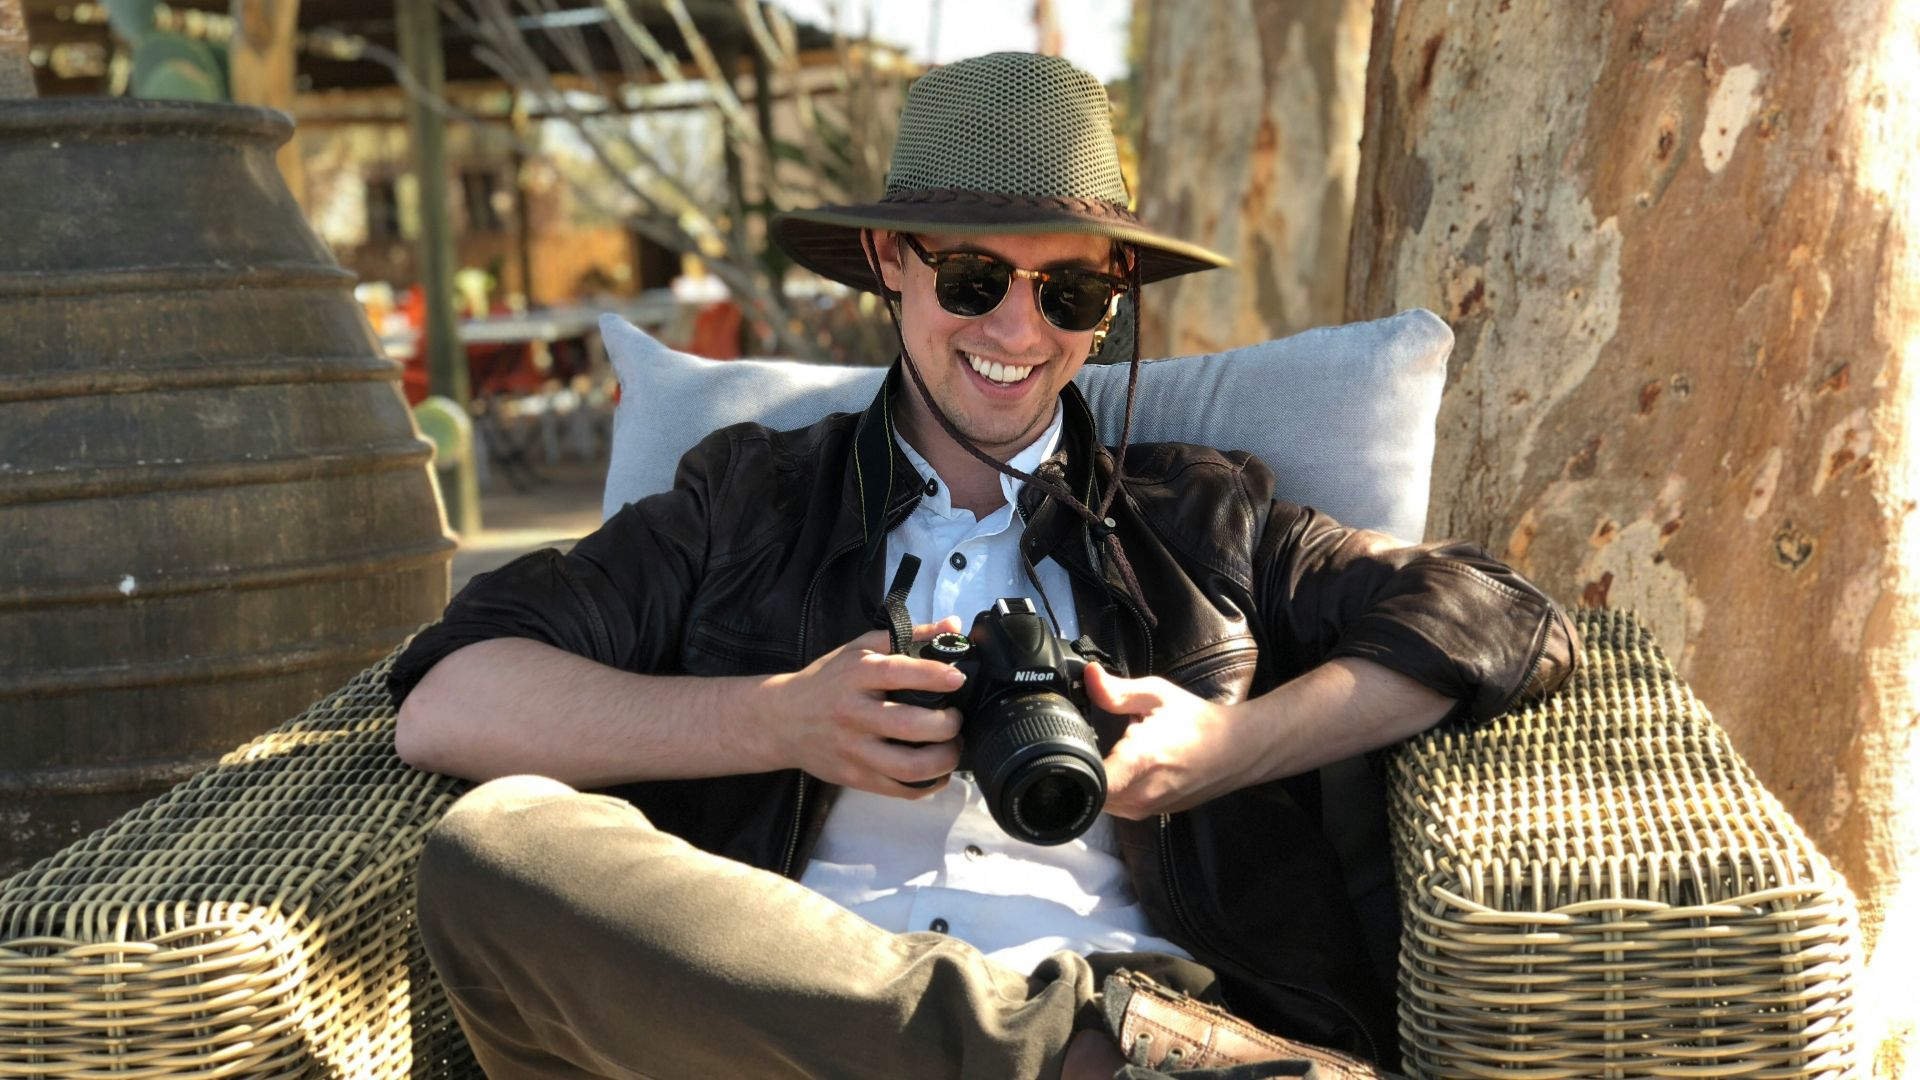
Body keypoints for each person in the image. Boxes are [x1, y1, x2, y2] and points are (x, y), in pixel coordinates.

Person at [390, 52, 1578, 1080]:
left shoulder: (1201, 513)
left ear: (1111, 302)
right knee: (497, 849)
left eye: (1066, 289)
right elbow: (452, 700)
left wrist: (1232, 746)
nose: (1017, 333)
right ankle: (1067, 1060)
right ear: (887, 259)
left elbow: (1503, 617)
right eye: (972, 279)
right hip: (786, 1030)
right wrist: (777, 721)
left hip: (1142, 994)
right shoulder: (746, 498)